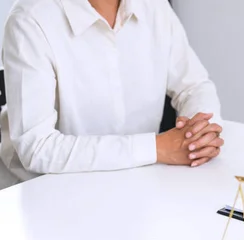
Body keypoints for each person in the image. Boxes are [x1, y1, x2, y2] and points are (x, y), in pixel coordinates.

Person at [0, 0, 223, 190]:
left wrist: (199, 135)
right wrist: (157, 148)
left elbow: (194, 86)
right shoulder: (30, 20)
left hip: (135, 184)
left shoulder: (154, 6)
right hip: (43, 194)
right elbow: (37, 147)